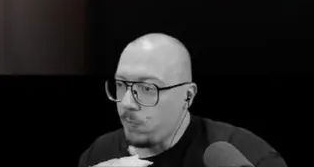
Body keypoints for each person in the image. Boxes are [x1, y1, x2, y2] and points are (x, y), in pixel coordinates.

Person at [78, 33, 287, 167]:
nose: (126, 103)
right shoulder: (99, 153)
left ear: (188, 96)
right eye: (121, 84)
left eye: (147, 88)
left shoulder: (246, 154)